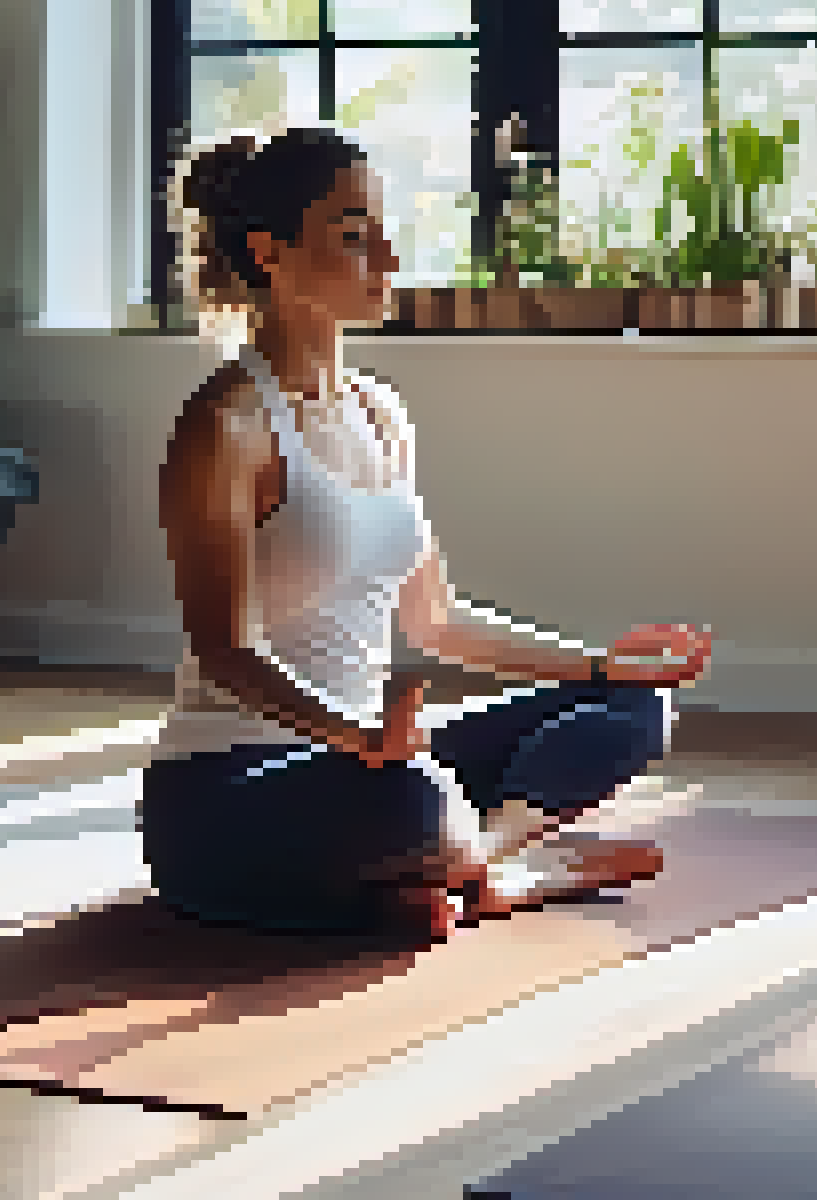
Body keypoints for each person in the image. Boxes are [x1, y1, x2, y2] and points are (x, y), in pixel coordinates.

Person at [145, 126, 715, 940]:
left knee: (635, 708)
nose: (387, 259)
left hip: (371, 759)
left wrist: (605, 663)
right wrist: (357, 737)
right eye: (353, 237)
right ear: (271, 253)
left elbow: (438, 622)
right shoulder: (227, 425)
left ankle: (470, 866)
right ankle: (478, 865)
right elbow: (225, 652)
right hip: (235, 787)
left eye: (386, 232)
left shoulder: (382, 414)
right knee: (412, 800)